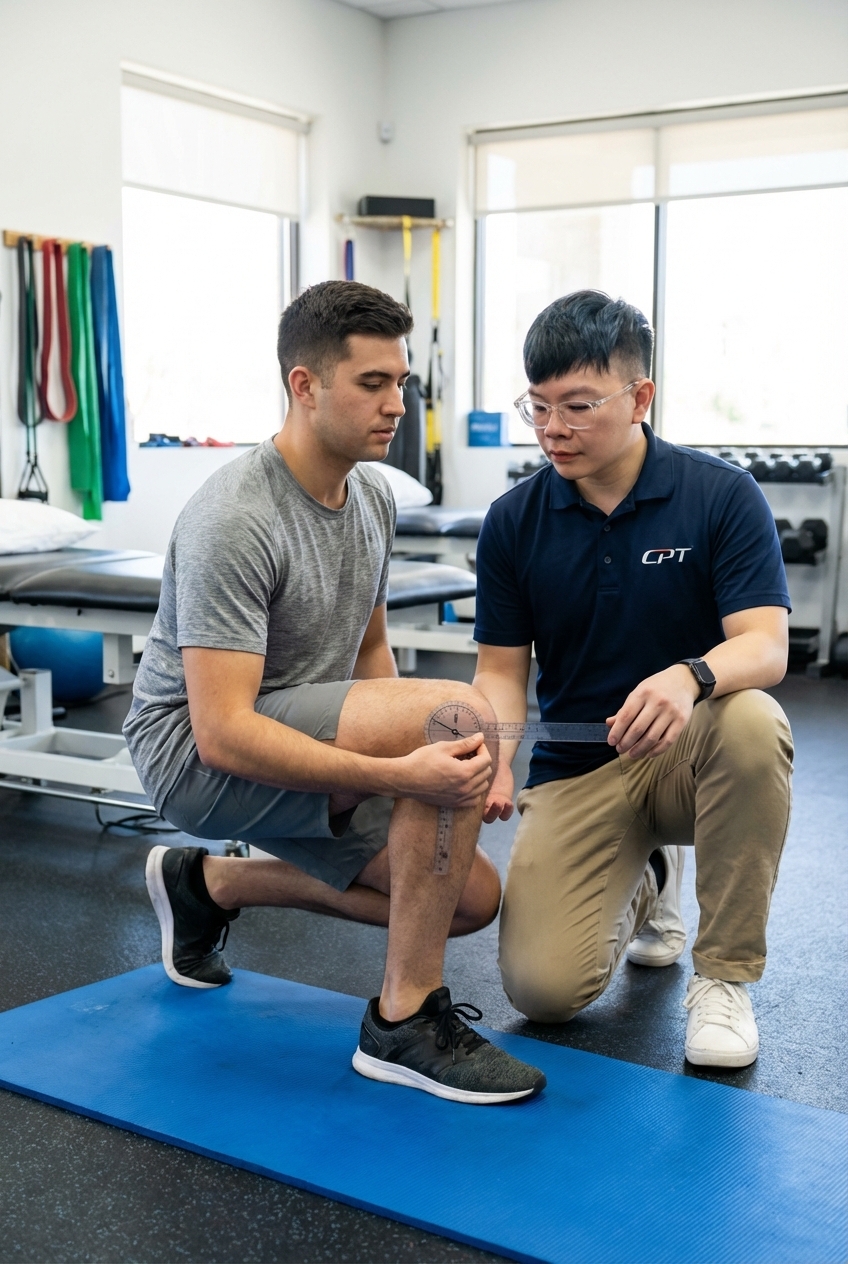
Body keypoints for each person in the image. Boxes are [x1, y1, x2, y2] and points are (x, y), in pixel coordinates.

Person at [124, 280, 545, 1105]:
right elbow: (220, 734)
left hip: (302, 737)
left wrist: (415, 760)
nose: (396, 405)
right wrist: (403, 772)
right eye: (372, 384)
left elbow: (372, 649)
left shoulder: (372, 497)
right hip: (195, 755)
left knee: (464, 900)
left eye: (402, 383)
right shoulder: (235, 517)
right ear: (304, 386)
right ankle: (403, 1024)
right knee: (457, 715)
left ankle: (207, 886)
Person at [472, 290, 792, 1068]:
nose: (554, 429)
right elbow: (500, 670)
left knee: (753, 722)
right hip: (579, 766)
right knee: (542, 993)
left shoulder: (720, 495)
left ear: (640, 396)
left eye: (577, 406)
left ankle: (722, 978)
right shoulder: (514, 521)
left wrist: (689, 677)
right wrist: (497, 752)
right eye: (538, 407)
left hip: (688, 752)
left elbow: (766, 646)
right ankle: (649, 871)